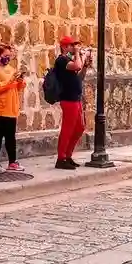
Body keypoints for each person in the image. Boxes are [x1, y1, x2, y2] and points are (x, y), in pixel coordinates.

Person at [0, 44, 27, 173]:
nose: (8, 59)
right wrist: (10, 81)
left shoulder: (11, 69)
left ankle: (12, 162)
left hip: (10, 108)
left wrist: (20, 81)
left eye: (9, 56)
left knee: (10, 137)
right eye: (5, 56)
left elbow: (16, 87)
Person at [53, 37, 92, 170]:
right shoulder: (61, 60)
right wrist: (78, 54)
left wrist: (85, 65)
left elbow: (79, 76)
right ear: (64, 47)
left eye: (75, 45)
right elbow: (77, 66)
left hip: (76, 98)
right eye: (72, 45)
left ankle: (68, 155)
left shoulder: (70, 60)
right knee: (67, 129)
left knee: (79, 127)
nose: (74, 47)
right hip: (68, 99)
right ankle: (61, 158)